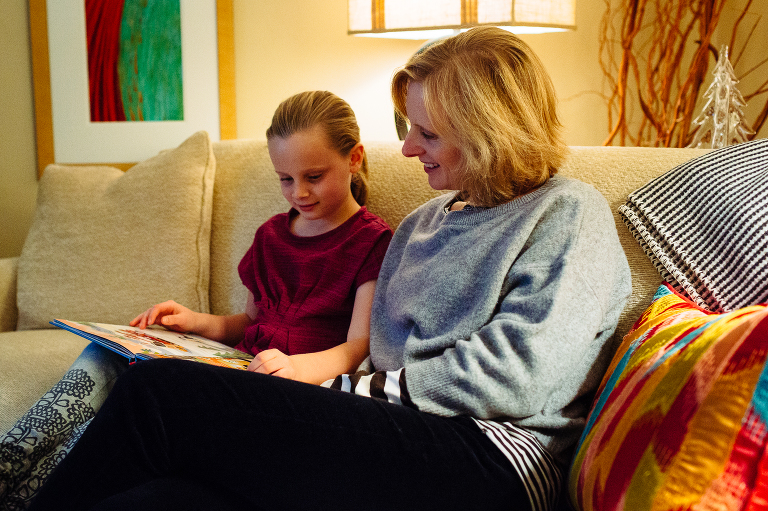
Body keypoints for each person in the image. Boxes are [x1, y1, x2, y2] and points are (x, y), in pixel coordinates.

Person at [28, 27, 631, 511]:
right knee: (155, 498)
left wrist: (341, 389)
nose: (409, 150)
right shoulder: (424, 222)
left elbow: (515, 377)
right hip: (384, 425)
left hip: (493, 456)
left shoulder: (566, 213)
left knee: (160, 394)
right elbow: (379, 353)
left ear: (488, 134)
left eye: (427, 134)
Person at [0, 90, 391, 510]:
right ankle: (13, 468)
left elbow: (358, 346)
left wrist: (299, 367)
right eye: (285, 179)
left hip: (290, 392)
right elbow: (247, 323)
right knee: (107, 355)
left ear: (354, 158)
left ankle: (37, 490)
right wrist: (193, 322)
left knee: (144, 398)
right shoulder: (272, 235)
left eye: (313, 177)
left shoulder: (373, 241)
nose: (299, 193)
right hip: (238, 368)